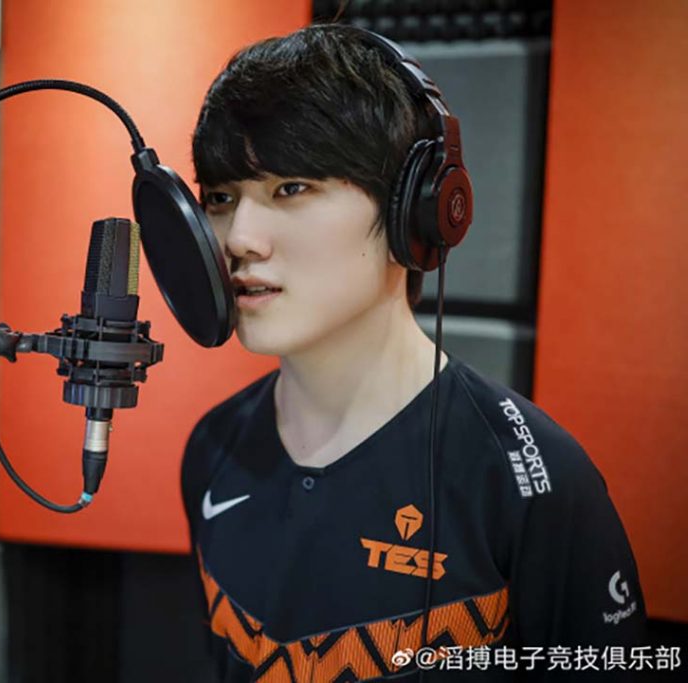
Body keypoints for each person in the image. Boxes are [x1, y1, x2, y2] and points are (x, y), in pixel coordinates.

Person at [180, 23, 647, 682]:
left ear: (415, 211)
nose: (240, 238)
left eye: (291, 188)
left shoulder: (532, 481)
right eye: (222, 199)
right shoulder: (213, 450)